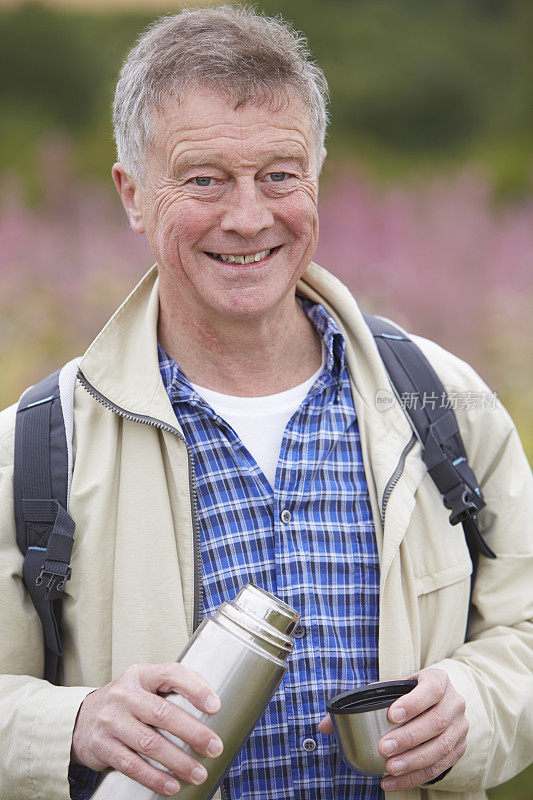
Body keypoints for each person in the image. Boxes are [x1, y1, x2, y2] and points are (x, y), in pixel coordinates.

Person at [0, 6, 532, 800]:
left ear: (315, 175)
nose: (248, 217)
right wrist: (71, 725)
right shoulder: (37, 445)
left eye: (278, 175)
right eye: (204, 179)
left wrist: (476, 711)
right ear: (133, 194)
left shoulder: (446, 402)